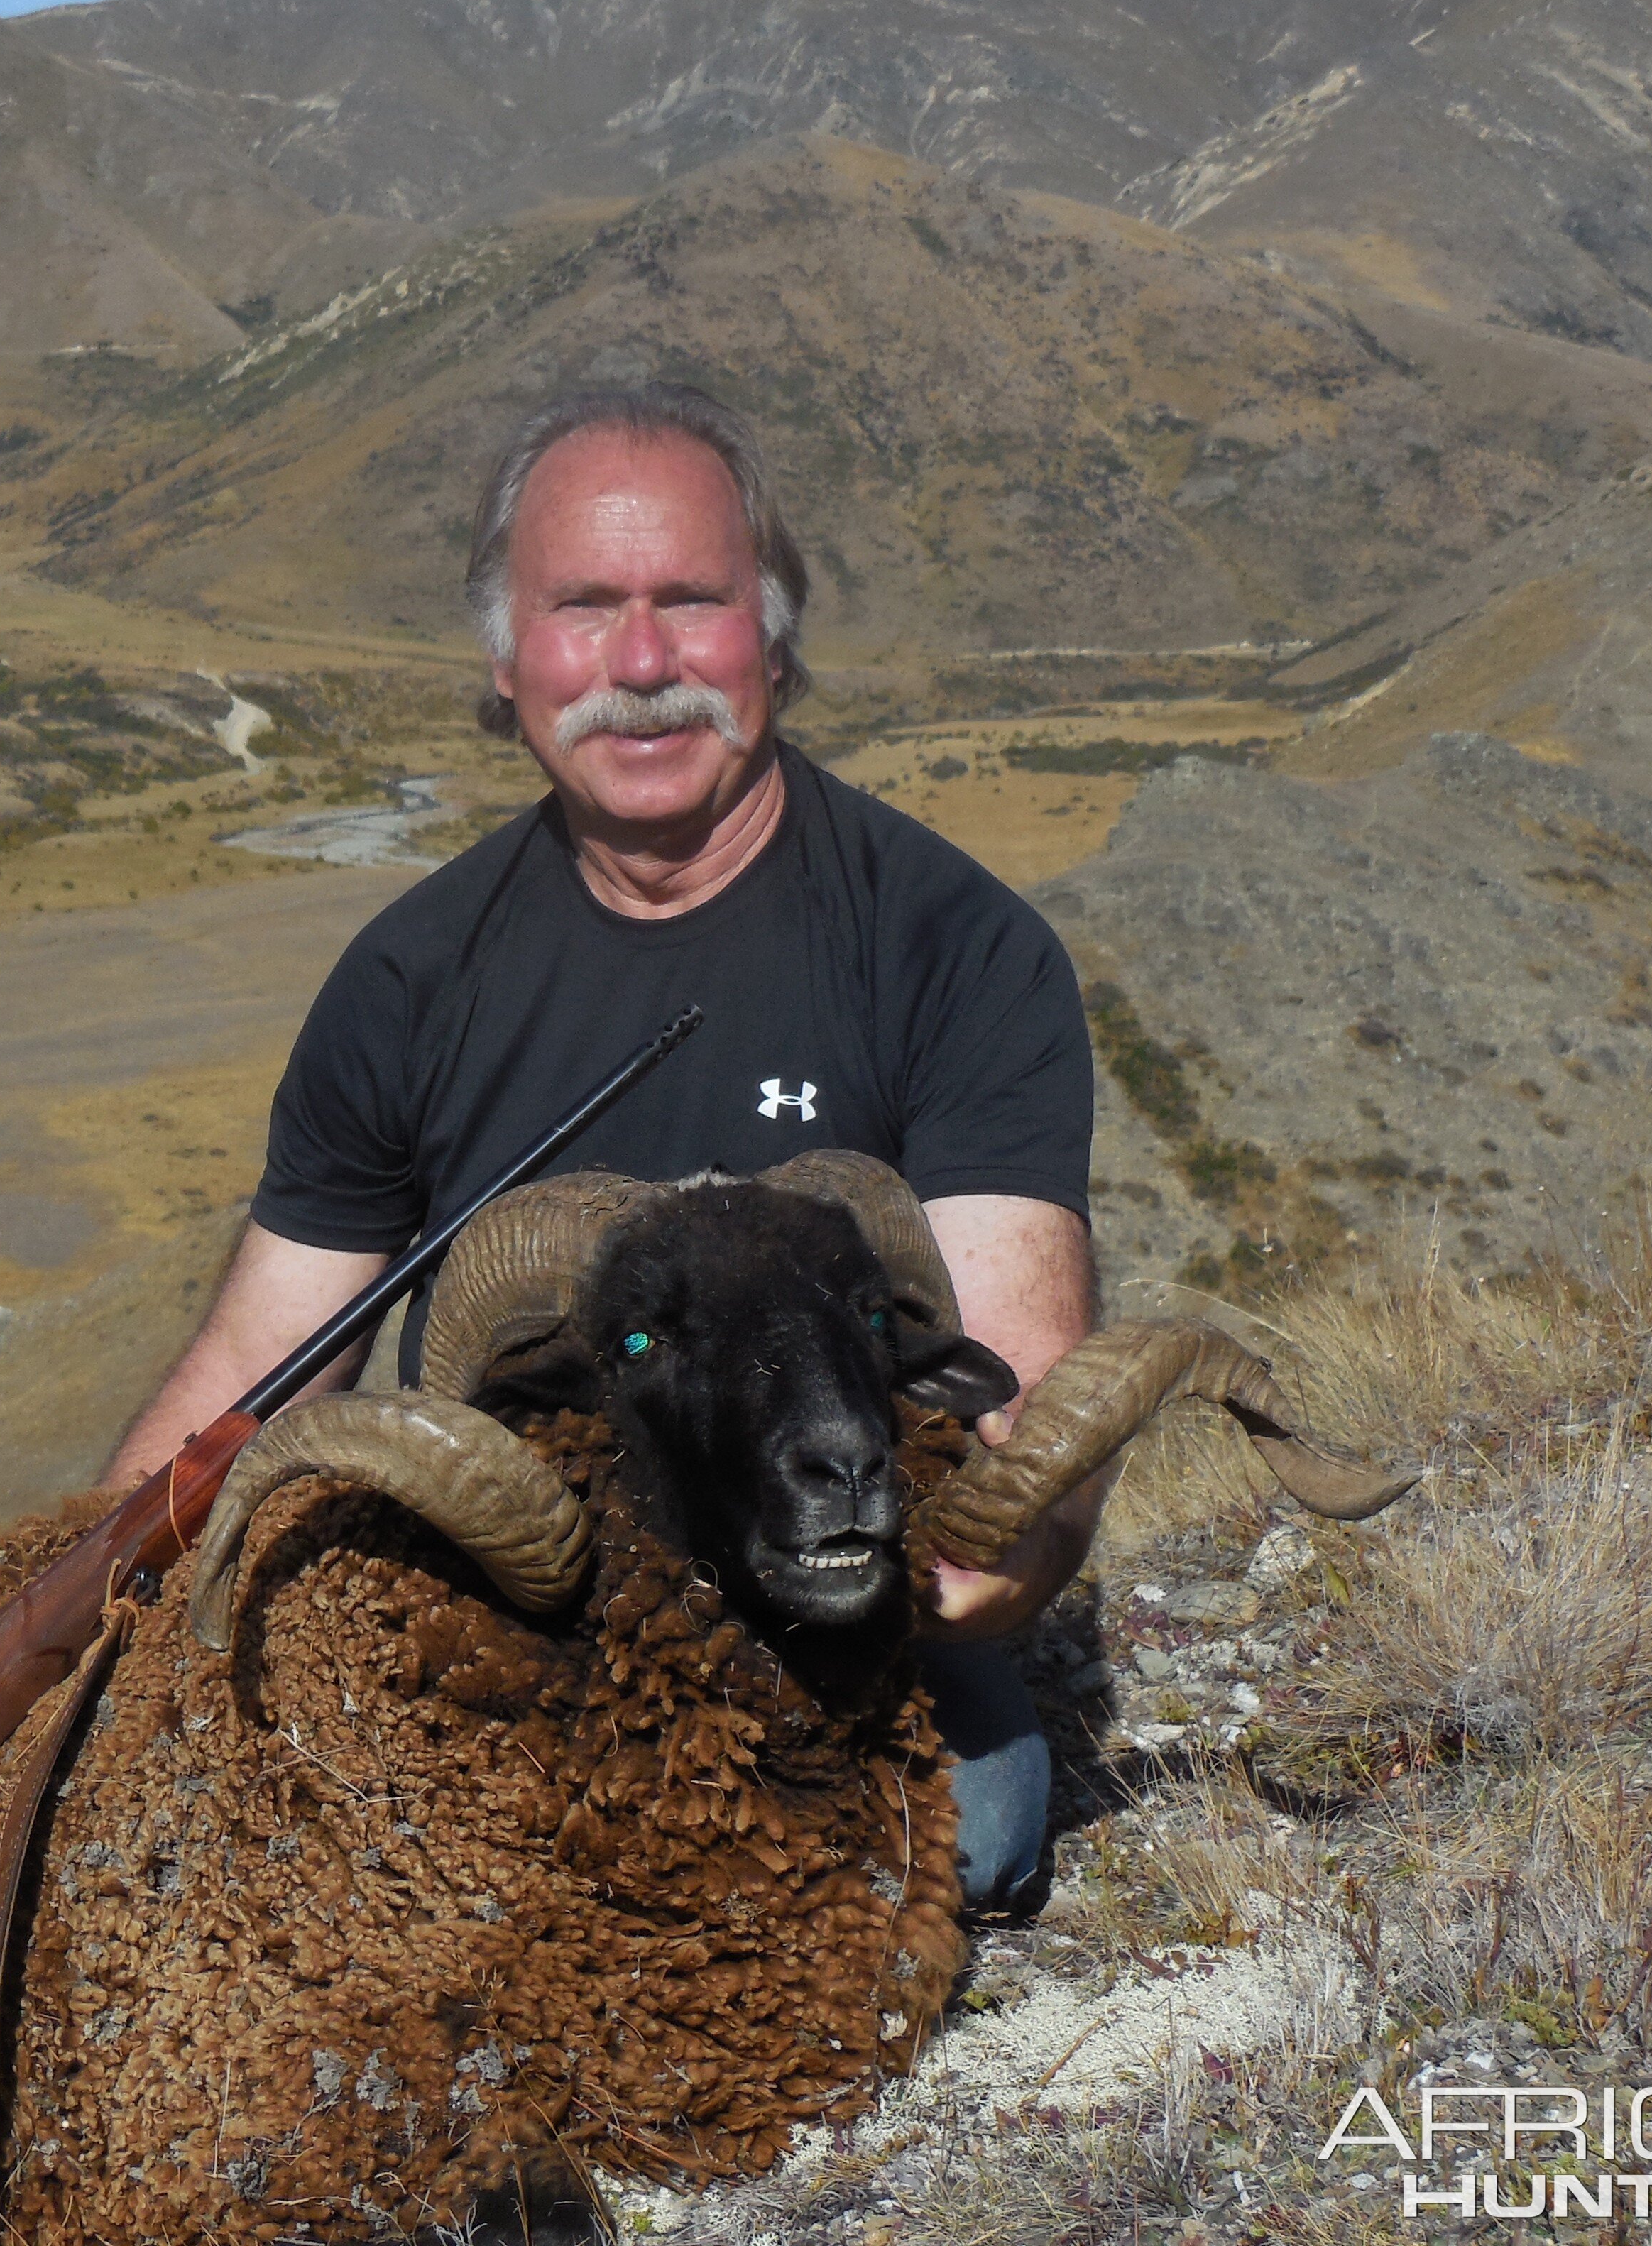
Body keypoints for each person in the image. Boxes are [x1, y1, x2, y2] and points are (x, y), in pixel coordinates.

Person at [101, 383, 1100, 1914]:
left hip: (827, 1621)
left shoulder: (954, 953)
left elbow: (1009, 1452)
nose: (642, 667)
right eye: (585, 610)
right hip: (500, 1626)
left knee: (977, 1820)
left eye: (692, 603)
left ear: (772, 640)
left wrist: (954, 1566)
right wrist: (71, 1612)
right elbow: (255, 1360)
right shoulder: (410, 982)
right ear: (507, 665)